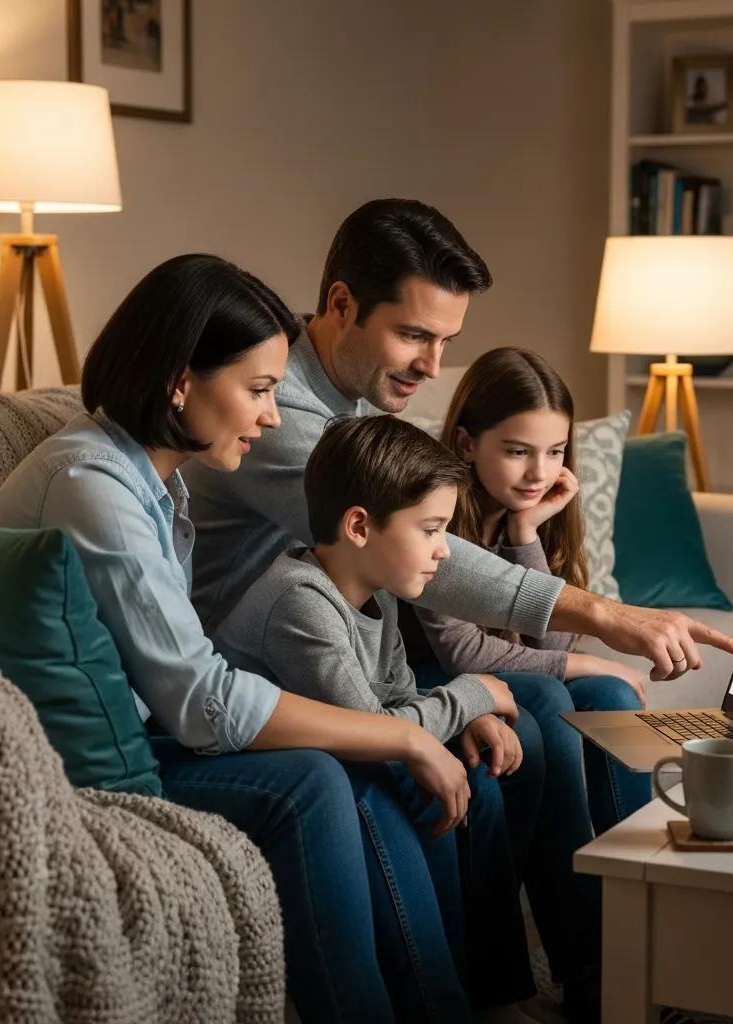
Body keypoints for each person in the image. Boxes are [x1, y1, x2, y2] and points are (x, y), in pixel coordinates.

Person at [0, 254, 494, 1024]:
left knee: (369, 769)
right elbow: (196, 699)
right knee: (319, 779)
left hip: (153, 730)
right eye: (257, 390)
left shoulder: (154, 481)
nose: (273, 416)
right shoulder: (94, 489)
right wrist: (404, 737)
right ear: (179, 381)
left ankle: (453, 1003)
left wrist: (404, 736)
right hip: (86, 764)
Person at [185, 198, 733, 729]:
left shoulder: (357, 392)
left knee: (564, 711)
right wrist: (606, 614)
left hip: (363, 660)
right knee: (538, 707)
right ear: (341, 304)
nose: (431, 366)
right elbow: (427, 559)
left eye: (446, 341)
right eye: (413, 335)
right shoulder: (273, 409)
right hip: (264, 670)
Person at [216, 413, 543, 1018]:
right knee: (396, 786)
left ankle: (492, 992)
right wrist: (472, 692)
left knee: (478, 777)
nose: (445, 549)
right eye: (431, 529)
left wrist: (466, 715)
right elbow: (377, 730)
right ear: (360, 526)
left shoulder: (378, 591)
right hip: (282, 770)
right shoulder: (299, 600)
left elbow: (398, 696)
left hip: (350, 748)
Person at [407, 347, 654, 1011]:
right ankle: (589, 969)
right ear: (467, 442)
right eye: (518, 452)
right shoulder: (433, 510)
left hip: (497, 672)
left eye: (555, 452)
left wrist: (525, 532)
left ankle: (645, 943)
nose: (539, 473)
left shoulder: (528, 511)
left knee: (606, 696)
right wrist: (592, 656)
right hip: (425, 673)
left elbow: (545, 636)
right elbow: (463, 652)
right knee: (556, 690)